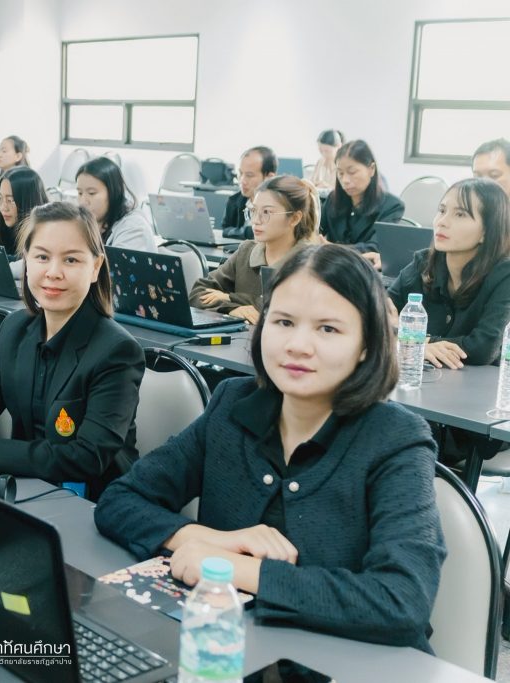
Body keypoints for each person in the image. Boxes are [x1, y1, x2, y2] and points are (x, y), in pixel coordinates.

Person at [96, 244, 445, 652]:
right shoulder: (233, 405)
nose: (298, 345)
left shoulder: (396, 439)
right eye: (283, 322)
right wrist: (203, 538)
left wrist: (231, 568)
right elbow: (120, 499)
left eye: (328, 329)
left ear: (367, 345)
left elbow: (403, 599)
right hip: (229, 650)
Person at [0, 201, 145, 500]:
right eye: (42, 257)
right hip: (25, 490)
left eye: (71, 260)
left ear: (95, 267)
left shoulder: (117, 351)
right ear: (26, 261)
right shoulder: (16, 329)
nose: (53, 272)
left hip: (93, 504)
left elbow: (87, 456)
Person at [388, 177, 510, 368]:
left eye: (460, 214)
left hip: (481, 383)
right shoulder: (423, 263)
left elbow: (483, 348)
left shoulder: (504, 276)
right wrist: (418, 346)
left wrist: (418, 342)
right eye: (442, 210)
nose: (442, 222)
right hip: (422, 377)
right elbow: (375, 317)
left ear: (487, 231)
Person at [190, 176, 319, 324]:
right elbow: (198, 293)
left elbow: (282, 308)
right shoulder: (246, 251)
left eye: (266, 212)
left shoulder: (310, 262)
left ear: (294, 218)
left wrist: (230, 297)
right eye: (253, 210)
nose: (255, 220)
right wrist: (231, 309)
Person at [320, 140, 404, 268]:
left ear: (371, 169)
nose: (345, 180)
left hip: (364, 270)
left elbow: (375, 247)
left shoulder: (392, 206)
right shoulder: (333, 199)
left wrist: (333, 248)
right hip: (330, 267)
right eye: (340, 173)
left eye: (352, 172)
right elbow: (316, 231)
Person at [75, 157, 158, 252]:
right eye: (80, 193)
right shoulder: (89, 220)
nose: (83, 202)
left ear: (113, 192)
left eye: (91, 193)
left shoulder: (133, 226)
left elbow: (115, 261)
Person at [221, 146, 277, 240]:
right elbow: (225, 230)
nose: (242, 181)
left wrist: (245, 232)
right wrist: (247, 232)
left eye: (249, 175)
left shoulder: (280, 206)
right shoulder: (234, 201)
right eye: (240, 173)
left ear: (269, 177)